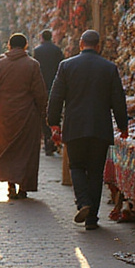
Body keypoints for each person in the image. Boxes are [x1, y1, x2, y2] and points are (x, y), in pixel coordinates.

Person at [47, 29, 128, 230]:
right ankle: (92, 218)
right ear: (98, 46)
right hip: (100, 128)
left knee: (76, 166)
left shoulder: (66, 66)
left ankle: (83, 202)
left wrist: (53, 122)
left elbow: (56, 97)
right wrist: (123, 125)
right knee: (95, 171)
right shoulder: (109, 68)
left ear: (81, 44)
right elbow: (118, 100)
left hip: (75, 126)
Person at [0, 33, 48, 200]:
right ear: (25, 46)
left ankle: (10, 185)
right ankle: (23, 187)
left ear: (9, 46)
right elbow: (39, 91)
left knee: (5, 148)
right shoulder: (32, 65)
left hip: (4, 114)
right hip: (26, 114)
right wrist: (43, 110)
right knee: (25, 151)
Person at [32, 29, 64, 155]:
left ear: (42, 38)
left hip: (42, 85)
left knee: (43, 114)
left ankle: (47, 141)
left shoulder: (37, 51)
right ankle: (54, 141)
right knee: (55, 112)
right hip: (55, 85)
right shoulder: (57, 50)